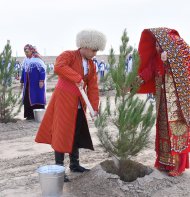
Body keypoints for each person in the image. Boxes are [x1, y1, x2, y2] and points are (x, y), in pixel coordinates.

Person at [35, 29, 106, 181]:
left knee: (76, 131)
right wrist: (77, 77)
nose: (95, 53)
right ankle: (59, 169)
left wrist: (94, 108)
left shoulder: (92, 65)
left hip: (80, 102)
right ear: (85, 45)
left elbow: (93, 88)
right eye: (94, 50)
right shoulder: (68, 55)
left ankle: (74, 164)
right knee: (62, 132)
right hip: (64, 101)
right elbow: (59, 67)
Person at [137, 27, 190, 176]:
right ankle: (164, 162)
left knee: (176, 131)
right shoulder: (156, 58)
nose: (156, 47)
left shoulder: (179, 53)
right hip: (162, 101)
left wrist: (168, 62)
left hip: (177, 102)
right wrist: (131, 84)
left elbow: (184, 73)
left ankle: (178, 167)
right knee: (163, 129)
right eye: (155, 44)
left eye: (158, 44)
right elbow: (147, 73)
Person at [20, 44, 46, 120]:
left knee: (36, 97)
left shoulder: (37, 59)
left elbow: (42, 71)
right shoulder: (25, 60)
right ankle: (29, 115)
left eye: (27, 52)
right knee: (27, 98)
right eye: (25, 52)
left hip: (36, 84)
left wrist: (41, 80)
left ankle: (37, 115)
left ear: (31, 51)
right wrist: (22, 82)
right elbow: (23, 71)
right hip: (27, 84)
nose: (26, 53)